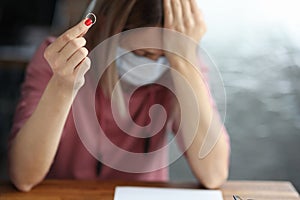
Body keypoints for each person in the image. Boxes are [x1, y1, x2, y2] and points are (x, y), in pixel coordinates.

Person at [8, 0, 230, 192]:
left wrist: (183, 61)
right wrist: (63, 86)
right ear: (107, 26)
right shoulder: (58, 62)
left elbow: (214, 174)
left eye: (165, 55)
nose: (154, 64)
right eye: (143, 54)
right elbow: (23, 177)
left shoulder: (180, 69)